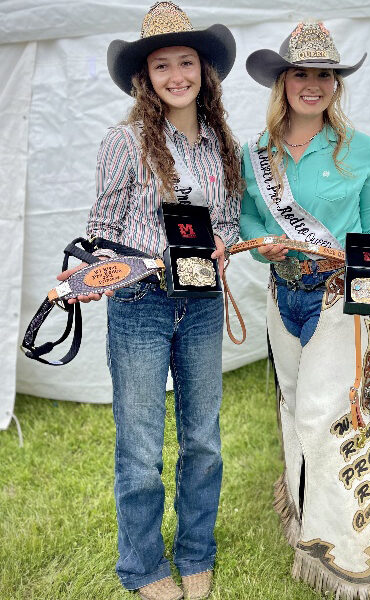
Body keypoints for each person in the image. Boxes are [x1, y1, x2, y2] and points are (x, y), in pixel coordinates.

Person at [57, 3, 242, 599]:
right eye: (162, 65)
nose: (176, 75)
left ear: (203, 71)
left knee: (204, 440)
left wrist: (222, 244)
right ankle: (142, 567)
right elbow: (103, 225)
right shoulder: (125, 140)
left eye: (186, 62)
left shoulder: (220, 144)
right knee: (139, 445)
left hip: (203, 302)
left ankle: (195, 553)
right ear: (147, 77)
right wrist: (133, 260)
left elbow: (232, 220)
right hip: (140, 303)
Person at [240, 20, 370, 600]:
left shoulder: (362, 150)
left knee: (330, 418)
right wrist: (262, 239)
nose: (313, 84)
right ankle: (307, 520)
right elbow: (247, 217)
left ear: (336, 85)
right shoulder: (257, 155)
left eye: (324, 74)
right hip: (283, 295)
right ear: (283, 82)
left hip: (341, 298)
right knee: (295, 409)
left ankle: (353, 555)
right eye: (302, 73)